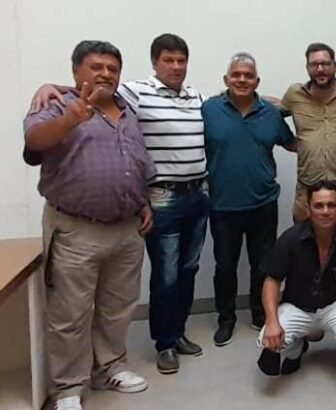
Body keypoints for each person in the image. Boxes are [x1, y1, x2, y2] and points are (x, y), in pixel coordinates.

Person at [29, 33, 209, 375]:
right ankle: (165, 343)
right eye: (168, 60)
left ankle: (172, 335)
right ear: (155, 63)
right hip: (160, 199)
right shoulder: (135, 93)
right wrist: (47, 86)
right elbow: (83, 97)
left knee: (185, 271)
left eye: (181, 60)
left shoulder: (192, 97)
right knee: (166, 274)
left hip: (196, 196)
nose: (175, 66)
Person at [23, 40, 155, 410]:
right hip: (76, 230)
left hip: (127, 229)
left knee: (118, 307)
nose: (106, 74)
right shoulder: (56, 104)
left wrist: (142, 201)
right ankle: (68, 388)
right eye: (97, 67)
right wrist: (71, 119)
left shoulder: (127, 110)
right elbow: (34, 141)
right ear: (76, 71)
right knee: (70, 313)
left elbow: (134, 161)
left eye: (113, 68)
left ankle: (110, 367)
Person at [201, 52, 295, 346]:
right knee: (225, 266)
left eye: (248, 75)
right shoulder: (208, 110)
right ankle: (226, 319)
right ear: (226, 79)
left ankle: (259, 313)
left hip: (263, 203)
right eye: (236, 74)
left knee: (263, 265)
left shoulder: (271, 113)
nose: (242, 79)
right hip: (222, 204)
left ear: (257, 81)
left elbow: (292, 143)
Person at [256, 181, 336, 376]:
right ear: (308, 209)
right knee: (268, 338)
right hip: (298, 307)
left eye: (331, 205)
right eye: (319, 205)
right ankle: (295, 352)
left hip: (335, 306)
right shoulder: (290, 238)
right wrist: (271, 321)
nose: (325, 211)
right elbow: (271, 281)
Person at [280, 42, 336, 232]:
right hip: (307, 188)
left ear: (335, 66)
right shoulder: (295, 95)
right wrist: (288, 140)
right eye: (314, 64)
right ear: (307, 67)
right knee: (303, 242)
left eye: (325, 64)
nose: (320, 69)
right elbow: (271, 113)